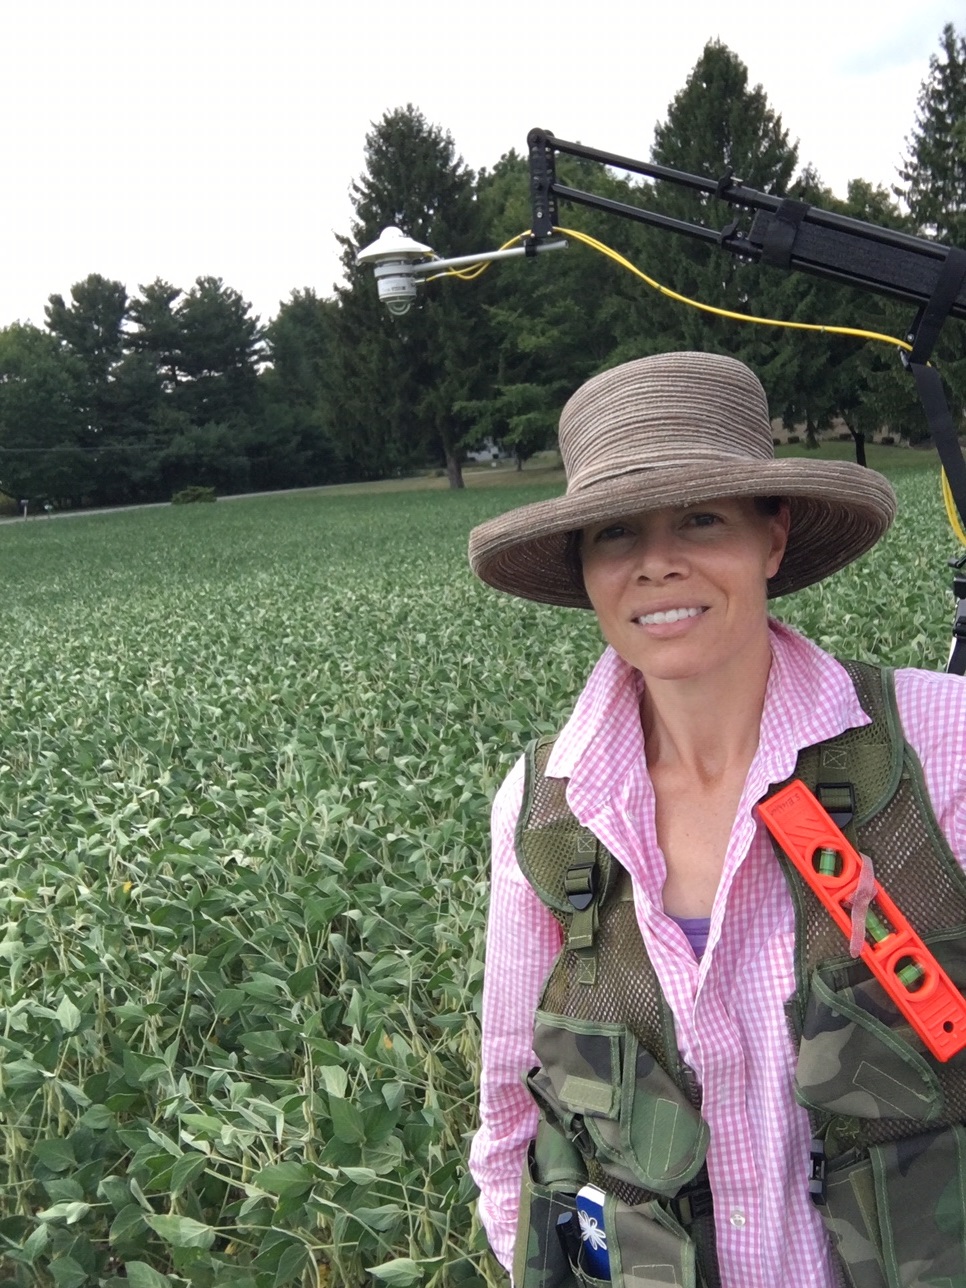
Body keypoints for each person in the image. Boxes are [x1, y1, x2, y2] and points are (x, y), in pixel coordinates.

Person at [465, 351, 966, 1288]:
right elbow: (510, 1121)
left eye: (701, 518)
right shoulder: (546, 809)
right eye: (616, 533)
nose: (658, 562)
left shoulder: (940, 742)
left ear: (772, 539)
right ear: (585, 570)